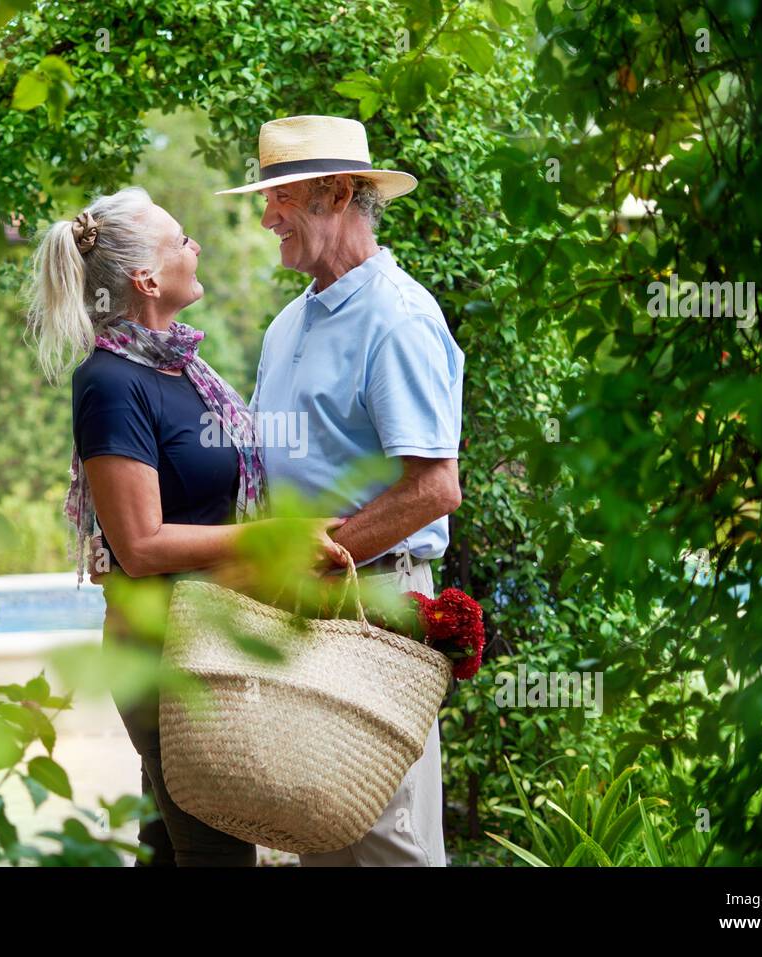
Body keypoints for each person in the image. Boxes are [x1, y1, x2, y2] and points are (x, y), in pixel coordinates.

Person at [24, 186, 345, 866]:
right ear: (145, 278)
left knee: (170, 849)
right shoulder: (111, 382)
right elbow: (139, 546)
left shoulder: (182, 371)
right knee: (219, 854)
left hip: (205, 642)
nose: (194, 247)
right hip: (163, 654)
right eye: (181, 240)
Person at [218, 115, 465, 866]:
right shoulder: (287, 324)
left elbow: (434, 488)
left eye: (280, 198)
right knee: (321, 834)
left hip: (375, 607)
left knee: (385, 841)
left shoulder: (397, 318)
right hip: (308, 610)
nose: (266, 219)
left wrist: (310, 559)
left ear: (337, 192)